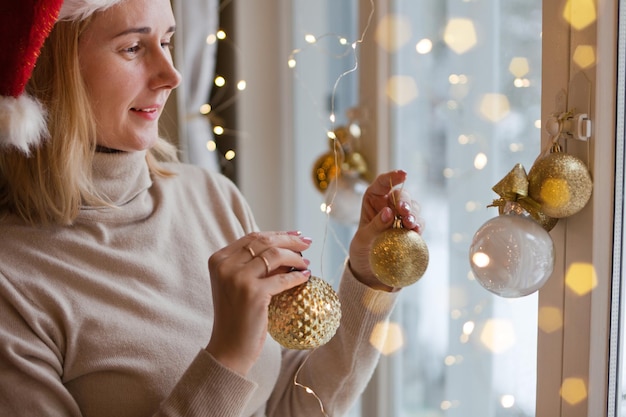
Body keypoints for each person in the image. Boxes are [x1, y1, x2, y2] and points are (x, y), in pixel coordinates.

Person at [0, 0, 424, 416]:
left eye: (167, 41)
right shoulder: (13, 282)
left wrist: (369, 279)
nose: (171, 75)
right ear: (48, 65)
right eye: (133, 48)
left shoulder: (210, 196)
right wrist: (227, 357)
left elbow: (289, 406)